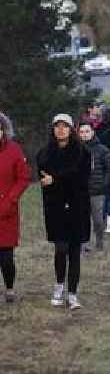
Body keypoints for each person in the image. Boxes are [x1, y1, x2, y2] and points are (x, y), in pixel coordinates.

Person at [37, 114, 91, 310]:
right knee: (61, 249)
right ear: (53, 129)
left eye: (65, 126)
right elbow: (44, 179)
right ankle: (59, 285)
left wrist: (57, 180)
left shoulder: (82, 152)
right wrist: (57, 182)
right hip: (55, 208)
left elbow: (81, 178)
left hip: (77, 207)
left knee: (75, 251)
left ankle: (73, 293)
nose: (61, 130)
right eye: (57, 126)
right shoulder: (44, 153)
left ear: (71, 129)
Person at [0, 112, 31, 303]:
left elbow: (23, 178)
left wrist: (11, 199)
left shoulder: (14, 149)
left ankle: (9, 288)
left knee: (6, 256)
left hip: (7, 212)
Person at [78, 121, 110, 252]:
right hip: (80, 191)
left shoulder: (102, 150)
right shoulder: (75, 150)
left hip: (97, 191)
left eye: (87, 131)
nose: (84, 134)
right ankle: (83, 244)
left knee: (98, 220)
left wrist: (104, 184)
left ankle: (99, 242)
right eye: (82, 132)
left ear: (92, 132)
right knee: (81, 220)